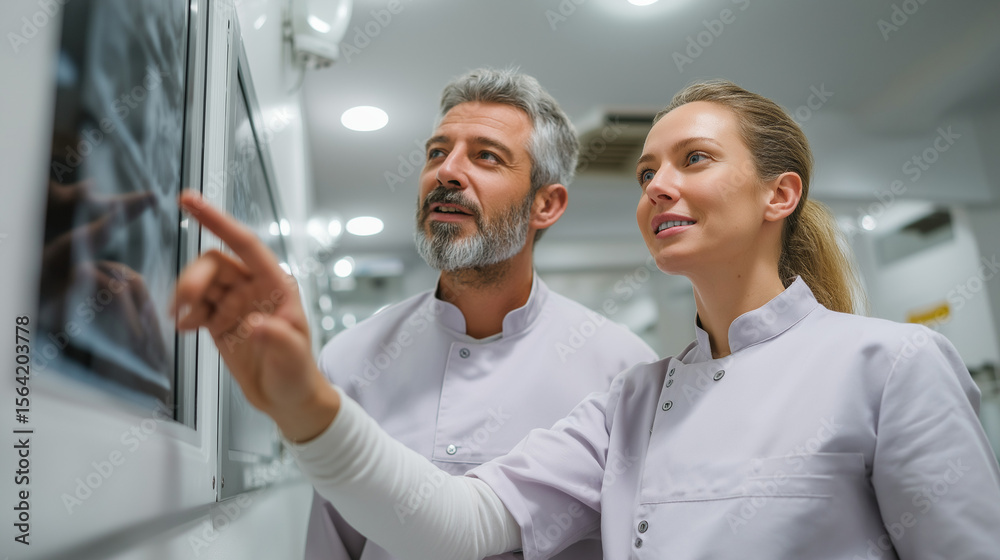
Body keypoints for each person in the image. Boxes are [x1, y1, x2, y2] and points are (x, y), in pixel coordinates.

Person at [173, 80, 1000, 559]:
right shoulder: (636, 402)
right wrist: (305, 406)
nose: (657, 187)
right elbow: (459, 525)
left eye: (694, 160)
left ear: (779, 195)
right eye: (646, 171)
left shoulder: (891, 364)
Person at [305, 68, 657, 560]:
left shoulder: (622, 369)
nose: (446, 172)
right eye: (436, 152)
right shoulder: (352, 359)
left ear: (546, 204)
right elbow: (331, 545)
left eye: (486, 156)